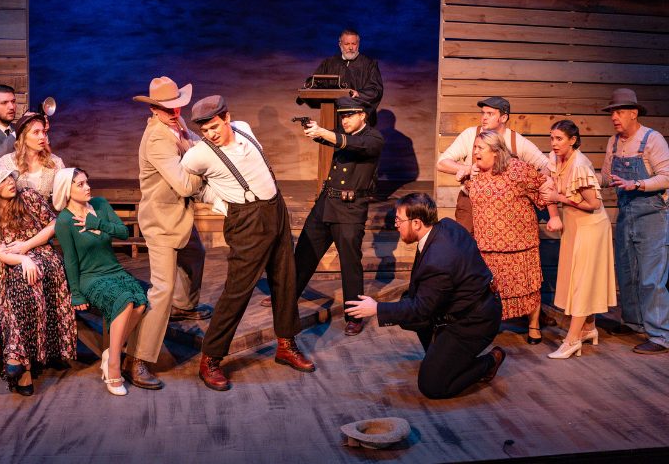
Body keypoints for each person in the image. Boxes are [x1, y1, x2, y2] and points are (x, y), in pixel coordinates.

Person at [181, 95, 315, 391]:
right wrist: (221, 204)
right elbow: (186, 186)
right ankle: (210, 358)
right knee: (238, 290)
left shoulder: (243, 128)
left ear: (227, 118)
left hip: (275, 209)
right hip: (247, 220)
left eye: (214, 127)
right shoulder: (197, 156)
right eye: (205, 130)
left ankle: (286, 344)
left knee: (285, 279)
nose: (211, 134)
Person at [345, 193, 504, 400]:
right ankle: (442, 356)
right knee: (408, 306)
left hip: (475, 321)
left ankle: (489, 362)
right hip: (462, 306)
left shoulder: (439, 260)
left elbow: (422, 309)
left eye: (399, 220)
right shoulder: (445, 226)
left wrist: (376, 308)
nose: (396, 225)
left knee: (432, 385)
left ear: (417, 223)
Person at [437, 96, 560, 328]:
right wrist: (467, 168)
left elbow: (545, 168)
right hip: (472, 203)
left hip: (508, 210)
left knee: (519, 266)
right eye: (482, 113)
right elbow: (442, 163)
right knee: (466, 256)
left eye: (490, 114)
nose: (484, 118)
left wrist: (525, 185)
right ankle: (469, 312)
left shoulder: (516, 141)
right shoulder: (470, 135)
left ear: (503, 117)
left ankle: (529, 313)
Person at [124, 76, 210, 390]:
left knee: (195, 255)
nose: (175, 112)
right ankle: (137, 359)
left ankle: (183, 306)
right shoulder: (157, 140)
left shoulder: (176, 122)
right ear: (154, 109)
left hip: (180, 216)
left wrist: (205, 149)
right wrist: (204, 169)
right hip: (161, 222)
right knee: (162, 289)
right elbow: (186, 184)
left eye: (177, 106)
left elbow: (197, 145)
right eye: (168, 108)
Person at [0, 160, 76, 396]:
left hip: (43, 255)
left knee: (21, 284)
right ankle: (22, 365)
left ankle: (17, 360)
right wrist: (23, 260)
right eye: (3, 181)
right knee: (18, 284)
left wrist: (26, 247)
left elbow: (54, 224)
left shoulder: (29, 197)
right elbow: (1, 254)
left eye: (10, 177)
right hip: (11, 264)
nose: (10, 182)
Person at [292, 96, 384, 336]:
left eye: (349, 115)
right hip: (326, 203)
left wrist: (324, 132)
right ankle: (287, 296)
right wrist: (314, 129)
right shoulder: (342, 133)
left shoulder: (374, 138)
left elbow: (352, 144)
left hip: (350, 209)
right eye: (342, 116)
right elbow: (331, 138)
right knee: (304, 253)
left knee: (349, 264)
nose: (344, 120)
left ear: (362, 115)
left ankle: (354, 315)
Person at [53, 168, 148, 395]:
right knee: (125, 301)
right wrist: (76, 294)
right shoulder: (64, 221)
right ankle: (114, 365)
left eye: (87, 182)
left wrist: (97, 223)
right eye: (80, 184)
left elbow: (123, 233)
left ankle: (110, 352)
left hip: (114, 270)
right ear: (67, 190)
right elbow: (70, 260)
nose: (87, 187)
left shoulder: (100, 204)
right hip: (90, 277)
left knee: (141, 303)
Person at [465, 131, 559, 344]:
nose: (475, 151)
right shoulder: (476, 173)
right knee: (490, 289)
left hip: (519, 243)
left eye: (480, 148)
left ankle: (533, 326)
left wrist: (554, 216)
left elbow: (544, 186)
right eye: (475, 147)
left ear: (496, 152)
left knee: (528, 287)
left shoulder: (518, 169)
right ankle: (489, 324)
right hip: (487, 245)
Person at [600, 88, 669, 355]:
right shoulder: (613, 142)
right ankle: (634, 322)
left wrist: (637, 183)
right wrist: (581, 176)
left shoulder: (653, 139)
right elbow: (607, 177)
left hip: (652, 215)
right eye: (612, 113)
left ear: (633, 113)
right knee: (627, 272)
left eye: (619, 112)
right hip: (626, 213)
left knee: (652, 277)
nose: (614, 117)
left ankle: (661, 335)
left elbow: (666, 176)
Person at [544, 120, 616, 359]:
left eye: (559, 139)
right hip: (574, 226)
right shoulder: (554, 160)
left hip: (591, 227)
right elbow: (547, 189)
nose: (554, 143)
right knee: (576, 277)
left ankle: (572, 340)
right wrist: (554, 212)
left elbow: (593, 203)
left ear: (573, 140)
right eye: (552, 138)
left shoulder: (580, 165)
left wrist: (560, 199)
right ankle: (588, 327)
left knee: (582, 282)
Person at [304, 29, 383, 124]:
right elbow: (315, 81)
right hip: (333, 117)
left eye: (353, 44)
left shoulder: (369, 65)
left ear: (358, 44)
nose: (350, 47)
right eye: (347, 44)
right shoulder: (329, 63)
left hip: (359, 117)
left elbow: (376, 90)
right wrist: (310, 85)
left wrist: (359, 94)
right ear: (340, 44)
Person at [0, 112, 64, 200]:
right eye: (36, 132)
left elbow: (64, 197)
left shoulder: (55, 163)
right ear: (23, 137)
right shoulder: (6, 163)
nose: (42, 136)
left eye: (43, 132)